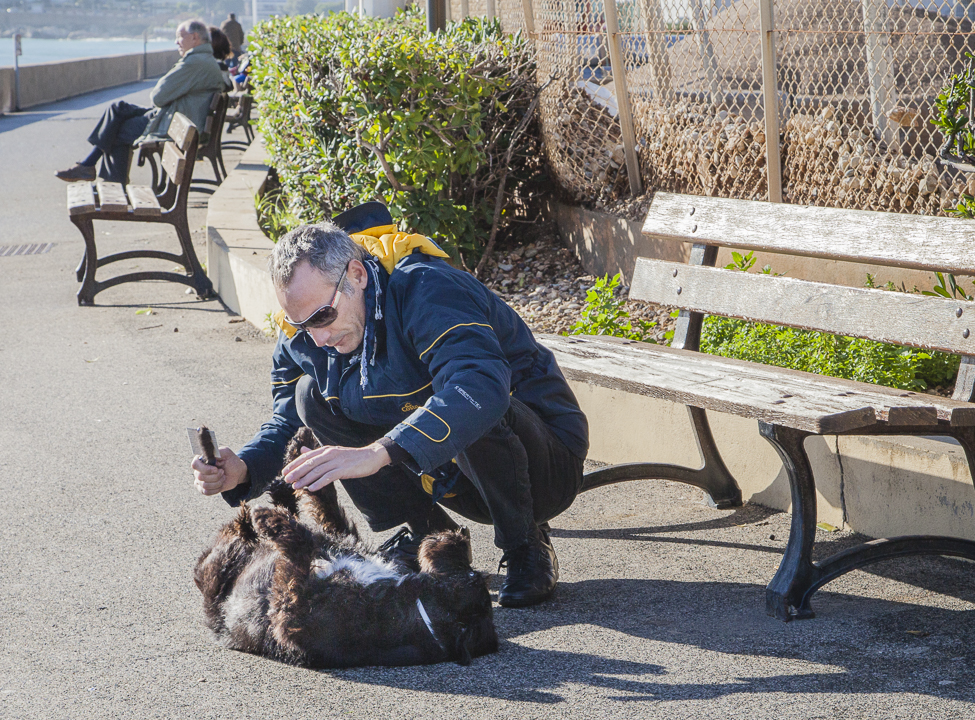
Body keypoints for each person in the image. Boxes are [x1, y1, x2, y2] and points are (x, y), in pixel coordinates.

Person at [191, 203, 590, 608]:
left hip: (543, 467)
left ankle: (526, 544)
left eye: (324, 316)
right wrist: (242, 469)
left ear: (358, 275)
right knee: (310, 396)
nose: (317, 338)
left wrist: (379, 453)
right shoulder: (308, 330)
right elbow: (288, 422)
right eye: (301, 324)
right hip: (452, 477)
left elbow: (479, 386)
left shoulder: (429, 289)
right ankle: (428, 536)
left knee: (469, 396)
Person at [54, 20, 228, 184]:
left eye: (179, 36)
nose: (176, 42)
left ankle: (110, 183)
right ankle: (89, 167)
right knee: (118, 109)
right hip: (174, 116)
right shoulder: (203, 60)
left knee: (118, 130)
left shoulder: (194, 62)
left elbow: (158, 97)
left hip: (173, 123)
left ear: (195, 37)